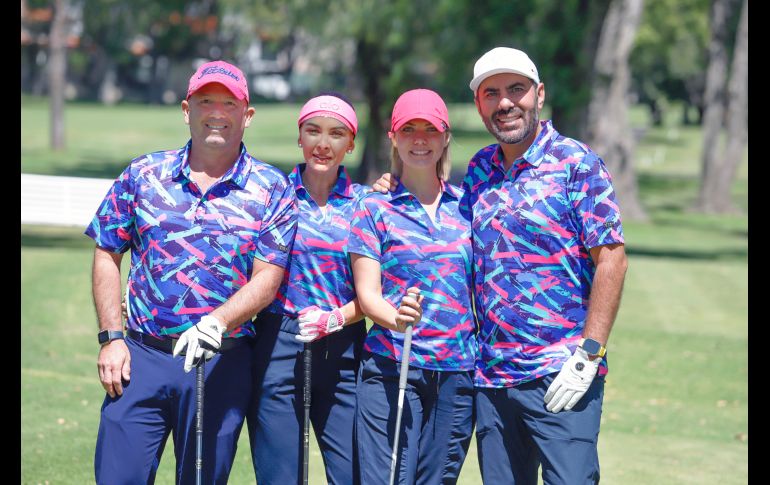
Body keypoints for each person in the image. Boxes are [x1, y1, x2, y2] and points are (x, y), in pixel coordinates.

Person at [373, 47, 629, 484]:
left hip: (562, 371)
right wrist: (394, 185)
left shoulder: (576, 163)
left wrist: (589, 354)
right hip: (492, 377)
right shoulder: (479, 171)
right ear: (479, 105)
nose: (505, 102)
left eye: (516, 90)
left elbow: (612, 260)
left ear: (539, 94)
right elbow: (438, 217)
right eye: (491, 93)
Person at [87, 60, 298, 485]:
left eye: (229, 103)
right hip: (140, 359)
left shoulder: (272, 188)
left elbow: (268, 277)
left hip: (221, 363)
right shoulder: (144, 174)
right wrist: (111, 338)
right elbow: (107, 251)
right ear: (187, 110)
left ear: (247, 115)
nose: (217, 112)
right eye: (205, 101)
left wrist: (216, 323)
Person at [349, 88, 477, 485]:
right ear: (393, 137)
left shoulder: (468, 206)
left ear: (445, 137)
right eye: (409, 129)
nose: (420, 139)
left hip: (457, 372)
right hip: (393, 367)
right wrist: (398, 319)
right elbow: (368, 294)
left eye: (430, 129)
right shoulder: (373, 207)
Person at [246, 92, 369, 485]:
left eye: (336, 134)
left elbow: (379, 289)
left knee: (354, 475)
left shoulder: (368, 204)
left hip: (344, 347)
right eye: (313, 131)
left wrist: (338, 318)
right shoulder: (271, 196)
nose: (323, 143)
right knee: (281, 477)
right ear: (299, 137)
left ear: (351, 144)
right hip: (278, 344)